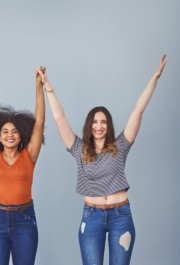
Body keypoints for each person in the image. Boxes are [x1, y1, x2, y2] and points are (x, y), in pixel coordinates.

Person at [40, 55, 167, 265]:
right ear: (89, 125)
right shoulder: (78, 149)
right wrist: (48, 85)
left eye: (104, 122)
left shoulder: (120, 146)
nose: (99, 126)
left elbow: (138, 110)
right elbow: (59, 117)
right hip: (91, 217)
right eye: (95, 122)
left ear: (108, 126)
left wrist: (155, 77)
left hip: (121, 216)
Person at [0, 66, 45, 265]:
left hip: (25, 220)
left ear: (21, 135)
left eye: (14, 131)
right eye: (5, 132)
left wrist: (39, 86)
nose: (10, 134)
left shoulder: (29, 155)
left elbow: (39, 124)